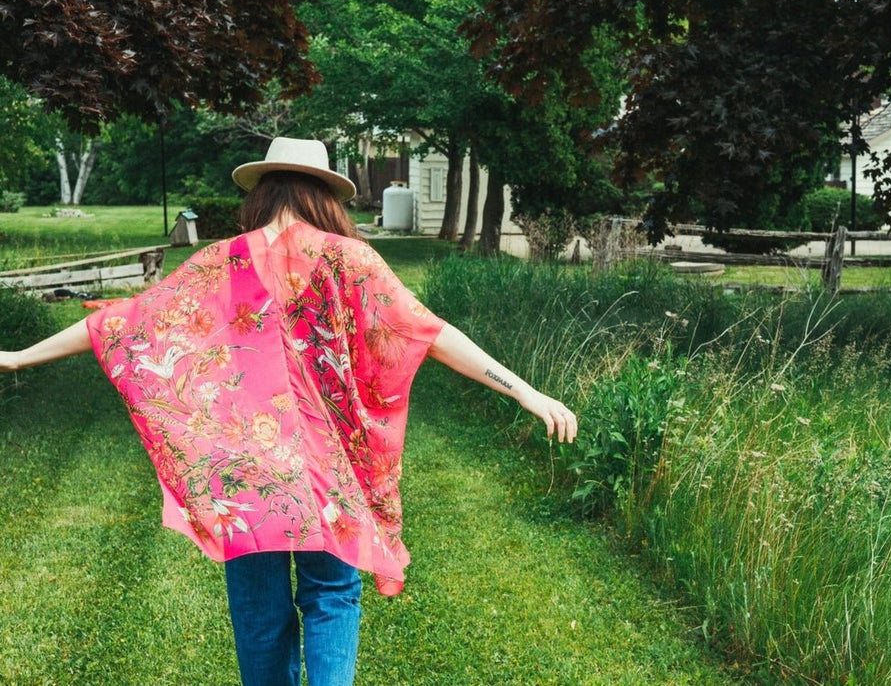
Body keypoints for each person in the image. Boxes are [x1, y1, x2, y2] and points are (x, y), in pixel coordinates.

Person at [0, 137, 578, 686]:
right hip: (327, 465)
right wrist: (523, 389)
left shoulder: (220, 261)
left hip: (243, 468)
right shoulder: (349, 258)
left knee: (258, 605)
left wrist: (21, 357)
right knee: (331, 593)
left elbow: (125, 321)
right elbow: (429, 333)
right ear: (324, 196)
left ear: (263, 192)